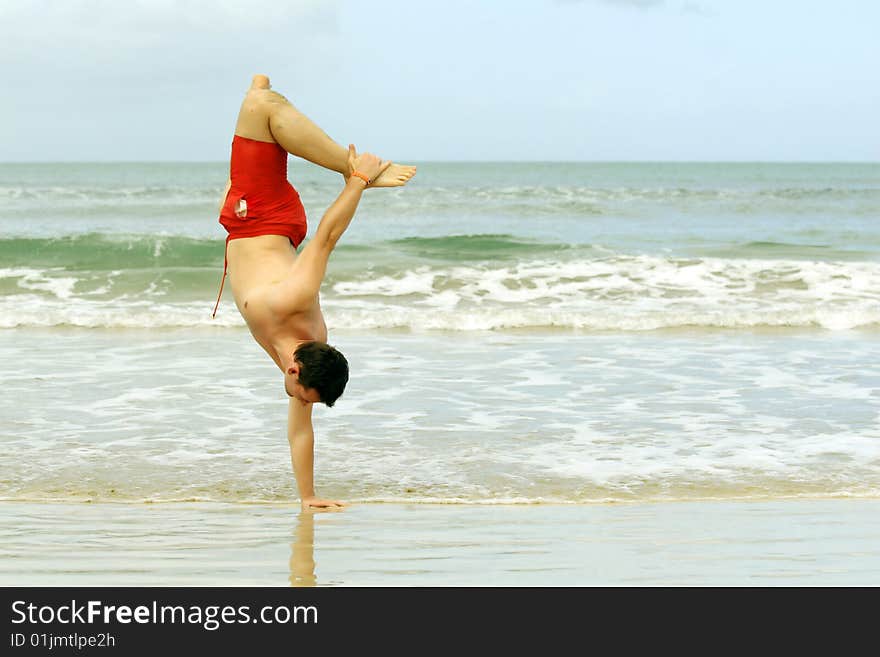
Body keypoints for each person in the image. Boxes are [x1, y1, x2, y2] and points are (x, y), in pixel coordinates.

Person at [213, 74, 416, 510]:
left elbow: (301, 431)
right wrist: (357, 179)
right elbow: (325, 238)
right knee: (260, 105)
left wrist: (308, 496)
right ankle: (354, 162)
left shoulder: (304, 364)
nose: (297, 400)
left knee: (260, 102)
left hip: (243, 223)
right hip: (263, 214)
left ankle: (261, 83)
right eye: (302, 394)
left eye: (305, 398)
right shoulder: (295, 301)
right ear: (296, 372)